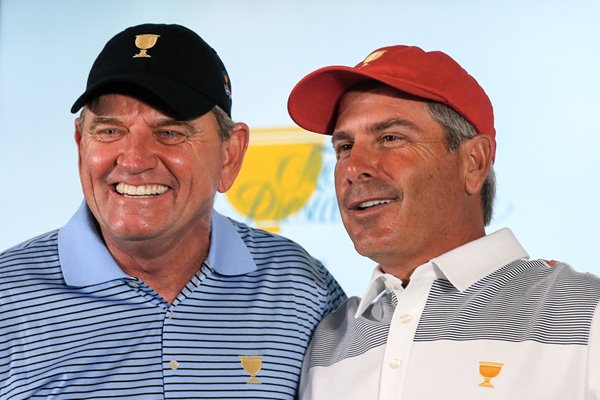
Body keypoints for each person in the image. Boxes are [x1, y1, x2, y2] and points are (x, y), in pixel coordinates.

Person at [0, 23, 345, 399]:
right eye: (110, 131)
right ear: (81, 143)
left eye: (170, 133)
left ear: (230, 155)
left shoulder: (300, 288)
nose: (133, 160)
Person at [287, 45, 600, 399]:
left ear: (474, 163)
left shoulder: (585, 311)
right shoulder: (324, 343)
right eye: (344, 147)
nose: (354, 167)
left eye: (390, 138)